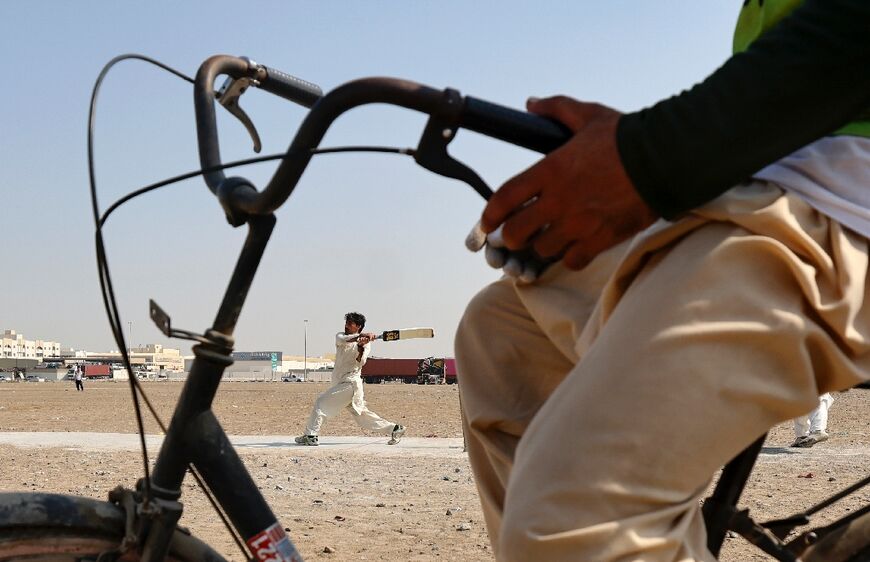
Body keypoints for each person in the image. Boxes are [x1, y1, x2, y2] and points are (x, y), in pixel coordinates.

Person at [456, 1, 870, 561]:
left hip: (849, 214)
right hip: (774, 194)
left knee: (574, 518)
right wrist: (641, 155)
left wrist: (644, 157)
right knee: (501, 334)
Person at [295, 312, 406, 446]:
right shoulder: (340, 336)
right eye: (346, 323)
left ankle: (311, 435)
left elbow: (360, 361)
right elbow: (344, 340)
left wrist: (360, 346)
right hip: (343, 384)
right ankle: (394, 429)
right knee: (363, 417)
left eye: (350, 323)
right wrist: (361, 336)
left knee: (321, 403)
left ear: (358, 326)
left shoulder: (366, 344)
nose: (346, 325)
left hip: (350, 384)